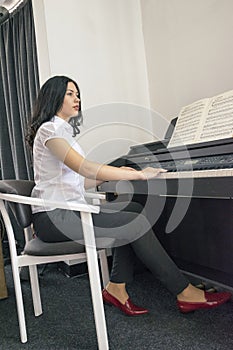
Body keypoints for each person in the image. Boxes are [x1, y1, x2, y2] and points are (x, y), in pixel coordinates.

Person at [26, 75, 231, 316]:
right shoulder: (49, 129)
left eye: (78, 94)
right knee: (136, 222)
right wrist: (138, 175)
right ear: (53, 96)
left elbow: (78, 181)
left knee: (132, 210)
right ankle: (184, 292)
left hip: (69, 211)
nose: (77, 98)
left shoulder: (62, 132)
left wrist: (115, 174)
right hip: (53, 219)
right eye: (70, 93)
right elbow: (85, 167)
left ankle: (116, 288)